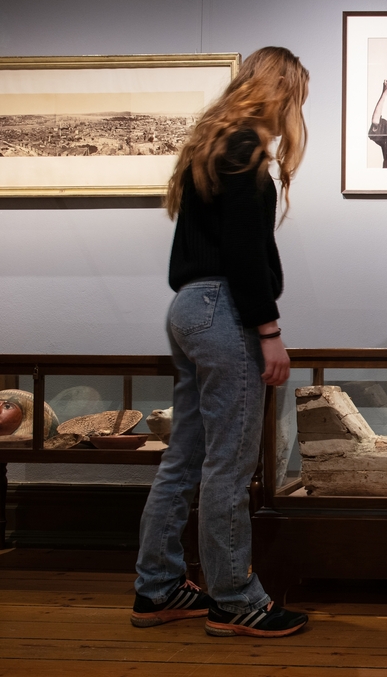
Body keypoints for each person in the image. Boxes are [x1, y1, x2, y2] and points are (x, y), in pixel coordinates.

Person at [132, 46, 310, 638]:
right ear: (281, 91)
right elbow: (243, 252)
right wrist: (270, 331)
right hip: (222, 310)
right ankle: (233, 597)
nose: (296, 111)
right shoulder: (243, 147)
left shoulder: (213, 144)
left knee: (185, 458)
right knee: (230, 464)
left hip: (189, 308)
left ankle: (157, 587)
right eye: (297, 97)